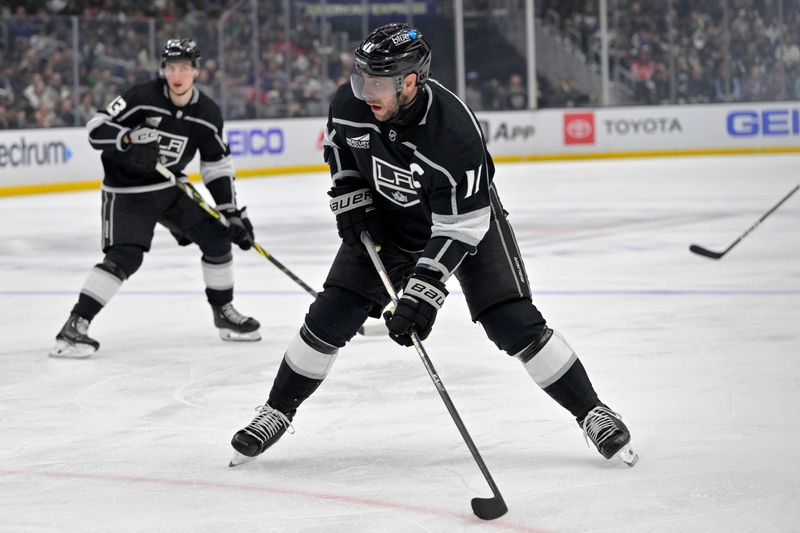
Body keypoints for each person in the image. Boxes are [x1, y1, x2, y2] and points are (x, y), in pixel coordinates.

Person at [230, 23, 637, 467]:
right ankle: (276, 410)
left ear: (410, 81)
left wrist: (425, 292)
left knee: (512, 322)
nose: (366, 91)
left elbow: (460, 227)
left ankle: (592, 411)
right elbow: (341, 149)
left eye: (379, 82)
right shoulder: (351, 103)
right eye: (361, 77)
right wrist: (351, 196)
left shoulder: (455, 133)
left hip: (466, 223)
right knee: (330, 315)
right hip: (389, 222)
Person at [50, 39, 260, 358]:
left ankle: (224, 312)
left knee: (218, 238)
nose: (178, 74)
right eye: (172, 67)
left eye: (185, 68)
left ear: (196, 72)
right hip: (127, 191)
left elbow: (216, 165)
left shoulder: (207, 113)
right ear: (163, 70)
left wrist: (230, 212)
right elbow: (95, 128)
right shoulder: (141, 97)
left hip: (169, 187)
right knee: (125, 257)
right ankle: (74, 326)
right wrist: (128, 139)